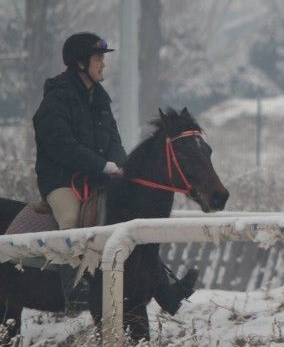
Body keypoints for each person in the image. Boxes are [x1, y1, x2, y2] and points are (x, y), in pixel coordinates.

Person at [32, 32, 197, 315]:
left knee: (132, 216)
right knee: (72, 218)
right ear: (80, 64)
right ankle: (77, 290)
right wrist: (102, 166)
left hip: (98, 176)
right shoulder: (55, 102)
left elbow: (113, 142)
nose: (103, 65)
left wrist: (122, 167)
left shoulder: (100, 99)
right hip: (60, 181)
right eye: (98, 59)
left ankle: (164, 291)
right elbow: (63, 146)